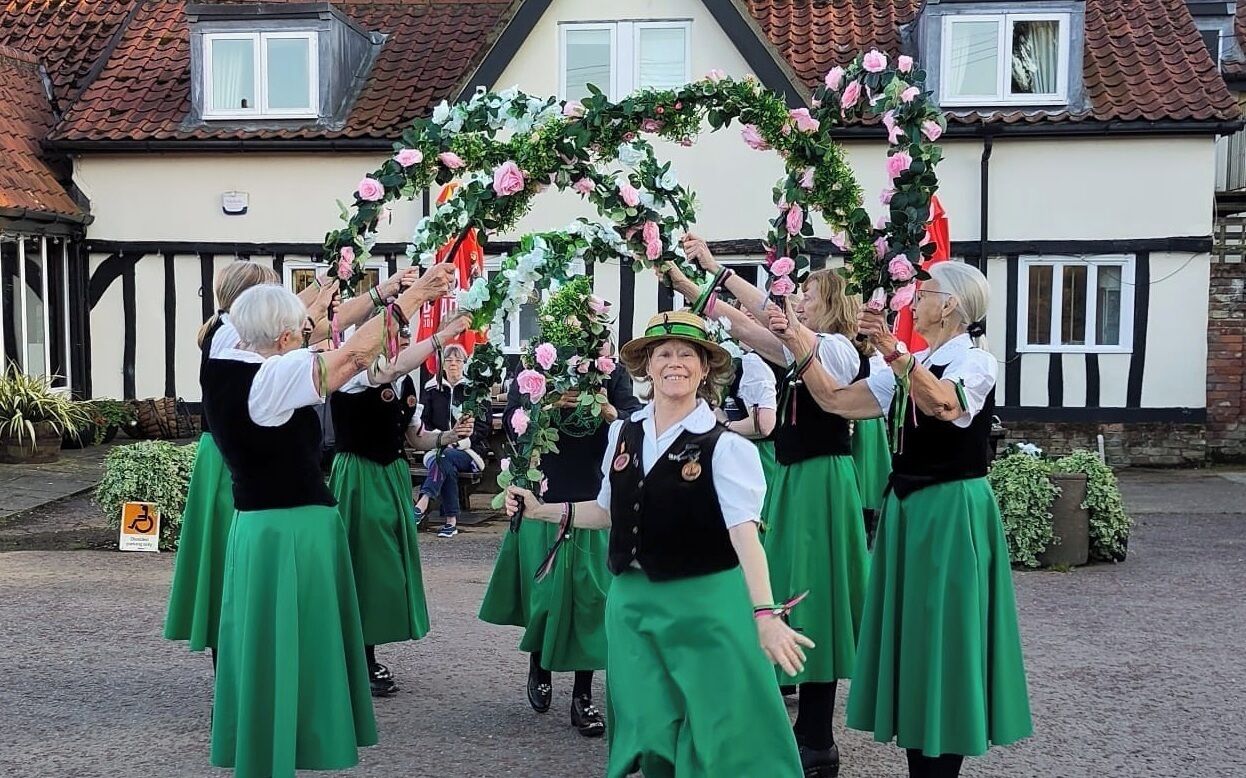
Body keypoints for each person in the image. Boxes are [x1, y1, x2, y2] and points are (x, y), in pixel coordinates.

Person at [505, 310, 812, 778]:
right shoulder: (621, 434)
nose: (675, 363)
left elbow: (744, 536)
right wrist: (542, 509)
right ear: (645, 366)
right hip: (631, 608)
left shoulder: (727, 448)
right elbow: (608, 511)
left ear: (705, 368)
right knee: (650, 731)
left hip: (704, 608)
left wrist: (766, 617)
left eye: (686, 354)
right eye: (663, 353)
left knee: (713, 734)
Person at [765, 261, 1032, 778]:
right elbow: (836, 401)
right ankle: (916, 756)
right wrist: (802, 346)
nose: (915, 298)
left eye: (924, 291)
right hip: (908, 510)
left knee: (944, 633)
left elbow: (944, 405)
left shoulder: (975, 362)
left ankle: (940, 758)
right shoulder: (912, 361)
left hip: (953, 510)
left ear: (950, 305)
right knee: (913, 636)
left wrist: (892, 349)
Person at [204, 264, 456, 778]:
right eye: (299, 330)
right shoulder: (273, 378)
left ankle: (272, 747)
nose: (308, 334)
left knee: (269, 647)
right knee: (297, 646)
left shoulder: (228, 361)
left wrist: (381, 294)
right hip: (291, 528)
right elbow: (356, 356)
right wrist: (413, 299)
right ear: (280, 336)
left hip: (257, 527)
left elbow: (327, 331)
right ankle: (285, 751)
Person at [671, 239, 870, 777]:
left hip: (823, 481)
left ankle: (819, 736)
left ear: (830, 305)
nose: (797, 301)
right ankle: (806, 727)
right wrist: (698, 287)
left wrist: (716, 270)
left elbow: (767, 319)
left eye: (807, 295)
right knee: (788, 589)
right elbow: (748, 325)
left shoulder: (839, 350)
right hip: (799, 479)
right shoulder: (800, 344)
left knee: (816, 595)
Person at [165, 263, 425, 664]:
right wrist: (412, 296)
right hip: (259, 485)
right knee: (284, 613)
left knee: (259, 605)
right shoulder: (258, 364)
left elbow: (317, 327)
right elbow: (349, 355)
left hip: (247, 482)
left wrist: (362, 293)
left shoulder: (236, 353)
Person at [479, 339, 643, 737]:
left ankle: (582, 696)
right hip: (543, 493)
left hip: (591, 496)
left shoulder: (612, 373)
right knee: (545, 596)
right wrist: (547, 404)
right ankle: (540, 663)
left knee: (590, 600)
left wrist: (609, 412)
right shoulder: (536, 371)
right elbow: (511, 423)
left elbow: (634, 419)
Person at [328, 313, 472, 697]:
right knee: (363, 561)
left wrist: (448, 436)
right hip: (359, 474)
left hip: (390, 476)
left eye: (406, 333)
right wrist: (442, 338)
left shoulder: (407, 382)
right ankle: (360, 655)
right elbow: (384, 371)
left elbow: (415, 437)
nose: (404, 338)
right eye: (397, 332)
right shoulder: (356, 373)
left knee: (386, 562)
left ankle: (364, 650)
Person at [414, 343, 491, 537]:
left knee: (445, 458)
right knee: (444, 460)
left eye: (458, 360)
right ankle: (451, 522)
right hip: (436, 447)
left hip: (469, 451)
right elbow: (423, 422)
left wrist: (463, 440)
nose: (453, 364)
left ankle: (423, 504)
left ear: (466, 363)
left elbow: (484, 426)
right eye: (448, 360)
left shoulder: (475, 390)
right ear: (442, 365)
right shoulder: (431, 389)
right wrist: (440, 437)